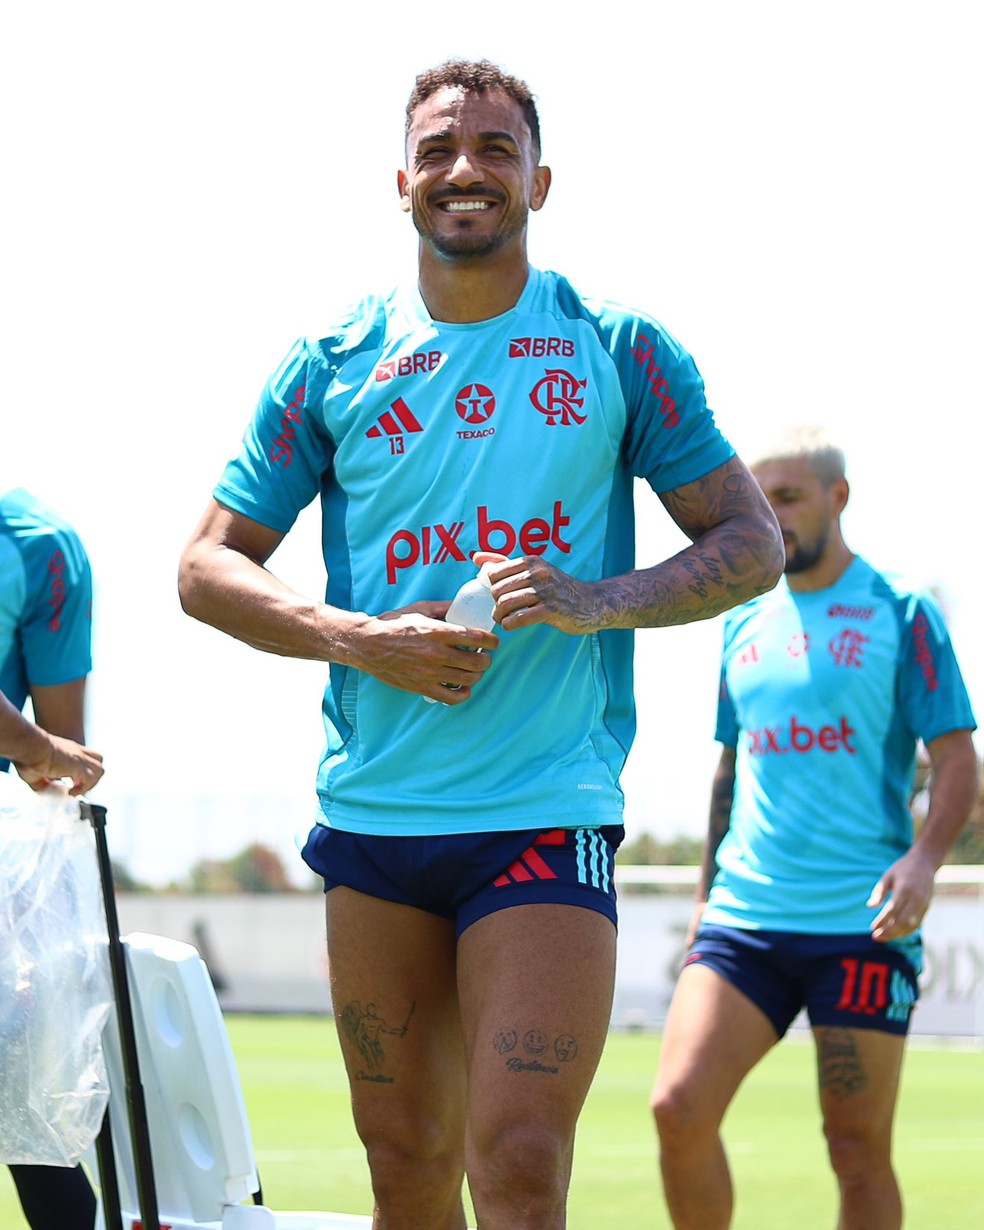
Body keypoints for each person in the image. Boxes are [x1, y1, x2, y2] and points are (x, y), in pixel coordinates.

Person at [177, 58, 784, 1229]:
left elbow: (751, 544)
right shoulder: (331, 360)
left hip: (544, 811)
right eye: (440, 150)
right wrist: (359, 639)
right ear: (401, 180)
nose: (467, 169)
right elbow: (204, 566)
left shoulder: (617, 346)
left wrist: (594, 601)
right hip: (376, 820)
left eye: (497, 148)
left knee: (518, 1165)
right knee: (405, 1168)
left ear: (540, 181)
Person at [650, 426, 978, 1230]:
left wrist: (924, 860)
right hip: (744, 919)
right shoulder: (741, 618)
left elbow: (957, 760)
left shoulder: (902, 611)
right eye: (761, 500)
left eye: (790, 497)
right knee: (676, 1107)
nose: (773, 516)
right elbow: (729, 770)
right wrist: (704, 897)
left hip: (860, 924)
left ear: (839, 498)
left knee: (856, 1149)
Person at [1, 486, 103, 1229]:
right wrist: (41, 749)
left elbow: (57, 773)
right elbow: (54, 756)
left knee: (27, 1102)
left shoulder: (38, 547)